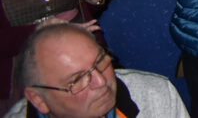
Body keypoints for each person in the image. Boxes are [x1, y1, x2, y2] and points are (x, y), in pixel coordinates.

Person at [6, 24, 188, 118]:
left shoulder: (155, 96)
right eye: (77, 80)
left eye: (100, 61)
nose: (101, 81)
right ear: (39, 100)